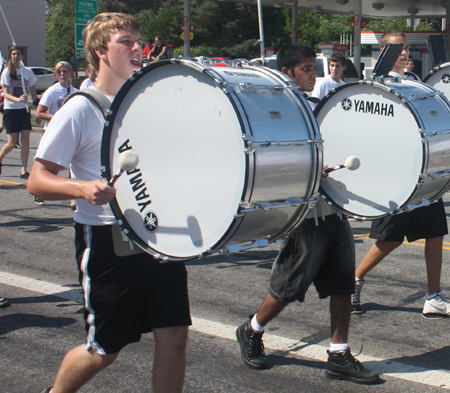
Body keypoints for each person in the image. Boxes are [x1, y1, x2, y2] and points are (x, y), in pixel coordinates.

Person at [28, 13, 191, 393]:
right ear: (101, 52)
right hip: (107, 242)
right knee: (105, 349)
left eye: (139, 41)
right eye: (126, 41)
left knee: (175, 336)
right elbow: (37, 180)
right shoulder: (79, 109)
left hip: (157, 238)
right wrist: (81, 188)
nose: (138, 48)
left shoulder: (144, 103)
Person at [235, 43, 379, 385]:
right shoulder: (277, 114)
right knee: (288, 286)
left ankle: (339, 353)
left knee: (343, 283)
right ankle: (252, 329)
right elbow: (275, 162)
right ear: (286, 73)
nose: (313, 75)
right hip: (305, 214)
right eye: (306, 69)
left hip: (332, 209)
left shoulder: (318, 106)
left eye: (314, 68)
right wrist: (315, 171)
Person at [351, 31, 449, 319]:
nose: (404, 53)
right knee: (391, 238)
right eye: (396, 48)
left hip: (423, 171)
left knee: (435, 233)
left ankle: (433, 297)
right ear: (383, 52)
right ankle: (354, 278)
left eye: (405, 48)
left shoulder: (415, 83)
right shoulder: (374, 86)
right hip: (396, 173)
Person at [35, 61, 79, 207]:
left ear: (71, 73)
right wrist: (57, 117)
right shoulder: (52, 91)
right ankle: (39, 193)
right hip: (53, 132)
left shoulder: (74, 91)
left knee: (73, 165)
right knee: (51, 167)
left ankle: (74, 199)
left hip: (69, 133)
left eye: (65, 71)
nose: (62, 74)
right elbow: (39, 113)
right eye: (59, 71)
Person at [0, 45, 39, 180]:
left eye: (18, 54)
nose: (16, 56)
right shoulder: (7, 72)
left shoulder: (27, 72)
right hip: (11, 109)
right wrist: (17, 99)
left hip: (24, 110)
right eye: (14, 54)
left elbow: (33, 92)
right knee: (12, 143)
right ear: (10, 56)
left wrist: (36, 104)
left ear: (22, 56)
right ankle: (0, 158)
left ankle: (24, 170)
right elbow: (5, 94)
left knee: (26, 139)